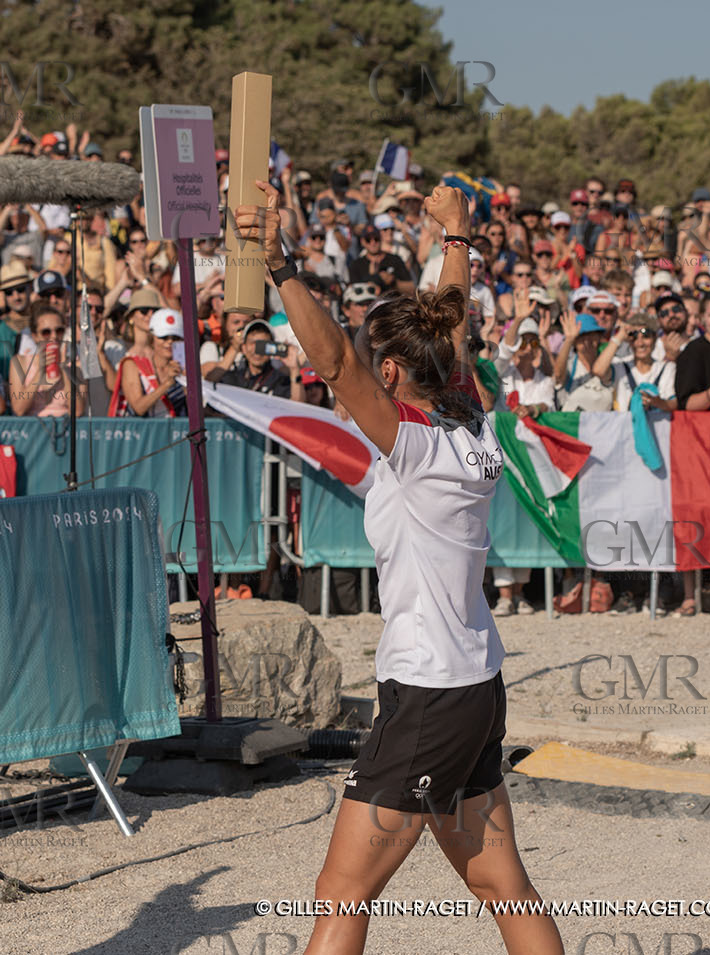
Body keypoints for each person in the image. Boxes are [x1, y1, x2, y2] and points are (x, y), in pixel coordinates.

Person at [238, 181, 562, 955]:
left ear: (390, 374)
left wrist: (279, 262)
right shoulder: (470, 422)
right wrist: (458, 239)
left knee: (342, 890)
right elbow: (444, 328)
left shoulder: (414, 445)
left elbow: (333, 360)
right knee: (501, 882)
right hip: (475, 681)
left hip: (428, 692)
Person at [10, 304, 88, 417]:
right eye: (46, 332)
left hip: (65, 429)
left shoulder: (77, 365)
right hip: (33, 430)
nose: (54, 336)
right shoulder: (20, 362)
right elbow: (19, 409)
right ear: (35, 336)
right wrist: (40, 372)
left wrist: (63, 369)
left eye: (59, 330)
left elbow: (78, 411)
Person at [112, 308, 187, 417]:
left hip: (178, 432)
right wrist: (167, 384)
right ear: (152, 338)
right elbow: (139, 408)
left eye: (175, 338)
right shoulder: (132, 365)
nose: (170, 342)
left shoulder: (184, 368)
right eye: (163, 337)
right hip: (145, 432)